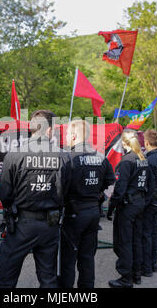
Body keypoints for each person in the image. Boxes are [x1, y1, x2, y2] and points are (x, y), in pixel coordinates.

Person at [0, 110, 71, 288]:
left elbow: (4, 191)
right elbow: (66, 190)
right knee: (48, 277)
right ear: (50, 130)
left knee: (6, 275)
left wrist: (11, 207)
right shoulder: (64, 156)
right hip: (50, 224)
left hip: (22, 223)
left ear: (31, 127)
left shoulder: (14, 154)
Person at [58, 120, 115, 288]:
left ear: (74, 136)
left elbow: (59, 188)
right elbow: (111, 183)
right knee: (87, 258)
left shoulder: (68, 157)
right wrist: (100, 198)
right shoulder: (100, 156)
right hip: (93, 214)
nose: (66, 136)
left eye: (68, 133)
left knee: (68, 260)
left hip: (73, 214)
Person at [107, 129, 153, 288]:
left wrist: (111, 207)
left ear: (124, 143)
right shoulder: (143, 159)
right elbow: (151, 186)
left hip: (127, 206)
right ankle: (136, 273)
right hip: (139, 204)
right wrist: (143, 201)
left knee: (124, 241)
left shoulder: (126, 162)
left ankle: (126, 277)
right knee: (136, 239)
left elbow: (119, 190)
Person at [142, 129, 157, 276]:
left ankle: (148, 267)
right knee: (153, 232)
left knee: (147, 234)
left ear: (146, 143)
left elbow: (148, 184)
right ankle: (152, 264)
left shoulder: (149, 160)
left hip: (150, 201)